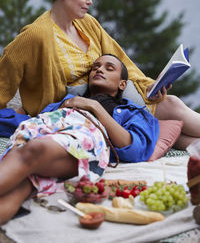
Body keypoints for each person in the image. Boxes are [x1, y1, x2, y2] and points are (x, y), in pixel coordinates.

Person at [0, 0, 199, 148]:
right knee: (172, 108)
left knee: (175, 127)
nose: (90, 1)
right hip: (82, 112)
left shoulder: (87, 23)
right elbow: (5, 73)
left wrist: (150, 86)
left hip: (115, 99)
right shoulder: (36, 35)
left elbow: (120, 60)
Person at [0, 54, 159, 224]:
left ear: (122, 84)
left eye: (109, 68)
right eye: (95, 67)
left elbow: (134, 149)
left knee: (33, 151)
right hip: (47, 133)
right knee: (24, 185)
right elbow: (32, 120)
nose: (99, 69)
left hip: (83, 144)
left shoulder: (134, 112)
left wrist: (94, 107)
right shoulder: (66, 101)